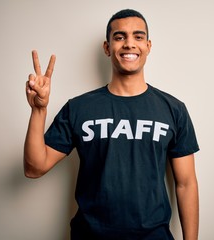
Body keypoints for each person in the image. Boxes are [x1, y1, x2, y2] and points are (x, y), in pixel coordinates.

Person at [24, 9, 199, 240]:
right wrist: (39, 110)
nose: (129, 44)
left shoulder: (173, 109)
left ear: (148, 46)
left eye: (138, 37)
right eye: (119, 37)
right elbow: (34, 168)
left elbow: (186, 184)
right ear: (107, 48)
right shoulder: (79, 108)